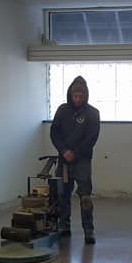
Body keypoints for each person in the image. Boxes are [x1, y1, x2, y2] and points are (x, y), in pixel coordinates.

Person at [50, 76, 100, 244]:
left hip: (82, 160)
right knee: (62, 194)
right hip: (64, 160)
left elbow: (91, 138)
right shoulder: (62, 111)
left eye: (80, 96)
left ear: (85, 95)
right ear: (70, 95)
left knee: (85, 195)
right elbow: (54, 133)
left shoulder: (93, 113)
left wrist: (75, 153)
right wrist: (63, 151)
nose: (77, 99)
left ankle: (89, 229)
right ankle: (64, 226)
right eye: (74, 96)